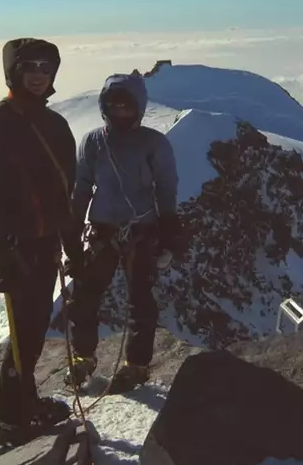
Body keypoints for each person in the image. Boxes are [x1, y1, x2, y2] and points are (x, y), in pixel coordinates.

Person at [0, 37, 84, 446]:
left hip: (45, 243)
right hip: (18, 248)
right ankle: (13, 421)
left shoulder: (55, 125)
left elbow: (64, 192)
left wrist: (72, 246)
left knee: (31, 333)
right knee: (25, 333)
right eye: (30, 66)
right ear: (14, 72)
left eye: (45, 67)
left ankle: (24, 404)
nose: (38, 75)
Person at [63, 71, 183, 392]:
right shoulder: (93, 143)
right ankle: (84, 358)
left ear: (139, 107)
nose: (120, 112)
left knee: (138, 302)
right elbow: (81, 188)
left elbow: (166, 190)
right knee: (86, 296)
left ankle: (135, 365)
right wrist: (71, 233)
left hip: (140, 232)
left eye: (125, 107)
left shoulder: (152, 144)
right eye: (114, 106)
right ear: (104, 107)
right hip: (105, 232)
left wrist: (168, 232)